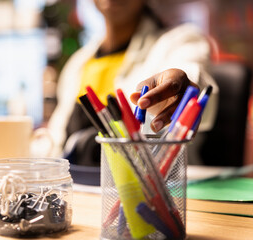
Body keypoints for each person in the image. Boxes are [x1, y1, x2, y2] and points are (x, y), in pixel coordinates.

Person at [47, 0, 218, 166]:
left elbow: (196, 83)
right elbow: (56, 141)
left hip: (157, 187)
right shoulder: (77, 63)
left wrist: (182, 92)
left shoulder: (180, 42)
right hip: (79, 186)